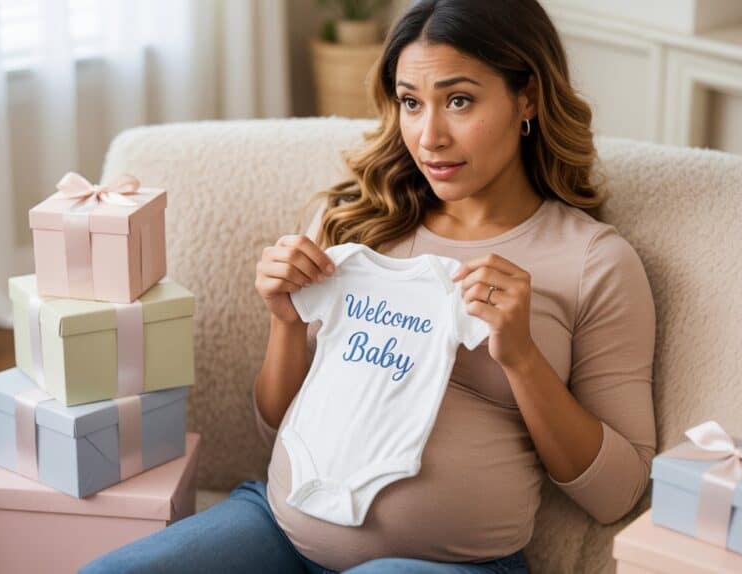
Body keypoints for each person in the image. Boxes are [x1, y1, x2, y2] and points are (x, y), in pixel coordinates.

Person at [79, 0, 656, 572]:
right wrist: (286, 321)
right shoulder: (355, 222)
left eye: (459, 101)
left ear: (526, 95)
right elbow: (278, 423)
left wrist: (523, 360)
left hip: (450, 565)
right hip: (278, 527)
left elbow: (617, 494)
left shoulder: (593, 262)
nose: (429, 137)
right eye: (410, 102)